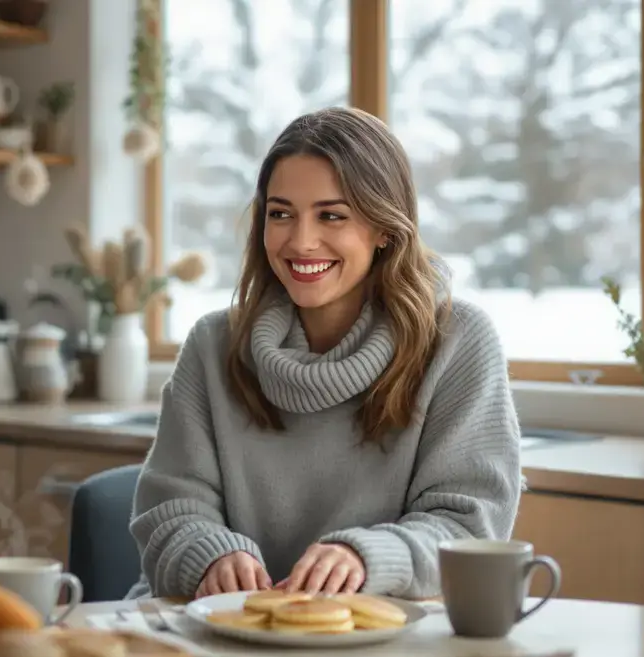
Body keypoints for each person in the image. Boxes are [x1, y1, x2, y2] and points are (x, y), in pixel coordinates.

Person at [127, 107, 522, 601]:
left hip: (378, 642)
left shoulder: (457, 342)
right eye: (281, 214)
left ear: (384, 228)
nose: (301, 241)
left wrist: (366, 557)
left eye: (331, 215)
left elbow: (470, 526)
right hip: (214, 634)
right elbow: (173, 506)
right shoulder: (212, 346)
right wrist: (208, 553)